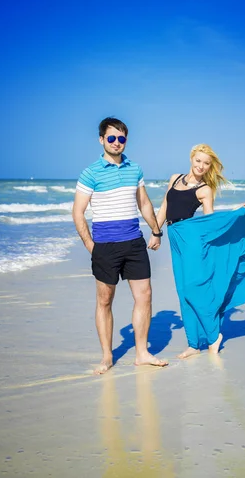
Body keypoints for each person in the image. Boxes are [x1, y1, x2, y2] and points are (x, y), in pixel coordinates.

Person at [154, 144, 245, 360]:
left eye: (206, 163)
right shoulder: (174, 178)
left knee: (192, 288)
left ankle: (213, 335)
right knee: (182, 291)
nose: (201, 166)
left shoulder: (204, 190)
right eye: (198, 161)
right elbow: (164, 207)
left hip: (192, 238)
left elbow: (210, 220)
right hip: (174, 237)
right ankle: (193, 344)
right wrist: (156, 232)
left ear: (210, 167)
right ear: (191, 158)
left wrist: (235, 213)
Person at [72, 117, 167, 374]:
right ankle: (106, 356)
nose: (117, 143)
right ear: (101, 139)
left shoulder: (134, 169)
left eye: (121, 138)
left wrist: (156, 231)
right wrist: (91, 246)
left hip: (134, 243)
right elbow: (78, 212)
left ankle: (142, 353)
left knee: (144, 296)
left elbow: (144, 204)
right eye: (111, 138)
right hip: (105, 246)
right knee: (105, 300)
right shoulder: (90, 172)